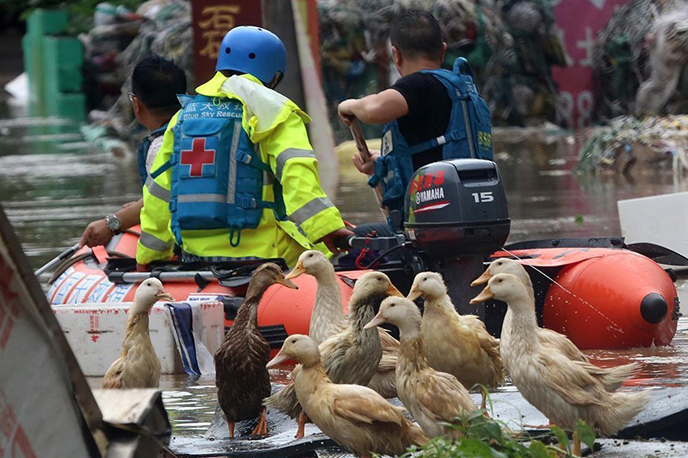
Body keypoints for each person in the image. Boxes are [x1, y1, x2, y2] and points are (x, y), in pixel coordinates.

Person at [136, 26, 352, 267]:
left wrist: (148, 257)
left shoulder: (183, 117)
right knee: (337, 255)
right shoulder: (276, 111)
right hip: (268, 254)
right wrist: (328, 229)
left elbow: (158, 193)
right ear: (275, 77)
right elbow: (298, 177)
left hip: (197, 257)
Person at [337, 8, 492, 225]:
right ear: (442, 51)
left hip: (434, 225)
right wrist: (380, 166)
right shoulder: (460, 90)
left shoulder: (419, 85)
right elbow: (429, 153)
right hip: (475, 218)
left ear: (396, 55)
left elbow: (373, 111)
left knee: (354, 241)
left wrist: (349, 104)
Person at [79, 55, 187, 248]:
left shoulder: (161, 146)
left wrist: (111, 223)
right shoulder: (200, 132)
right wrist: (139, 205)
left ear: (136, 104)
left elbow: (159, 208)